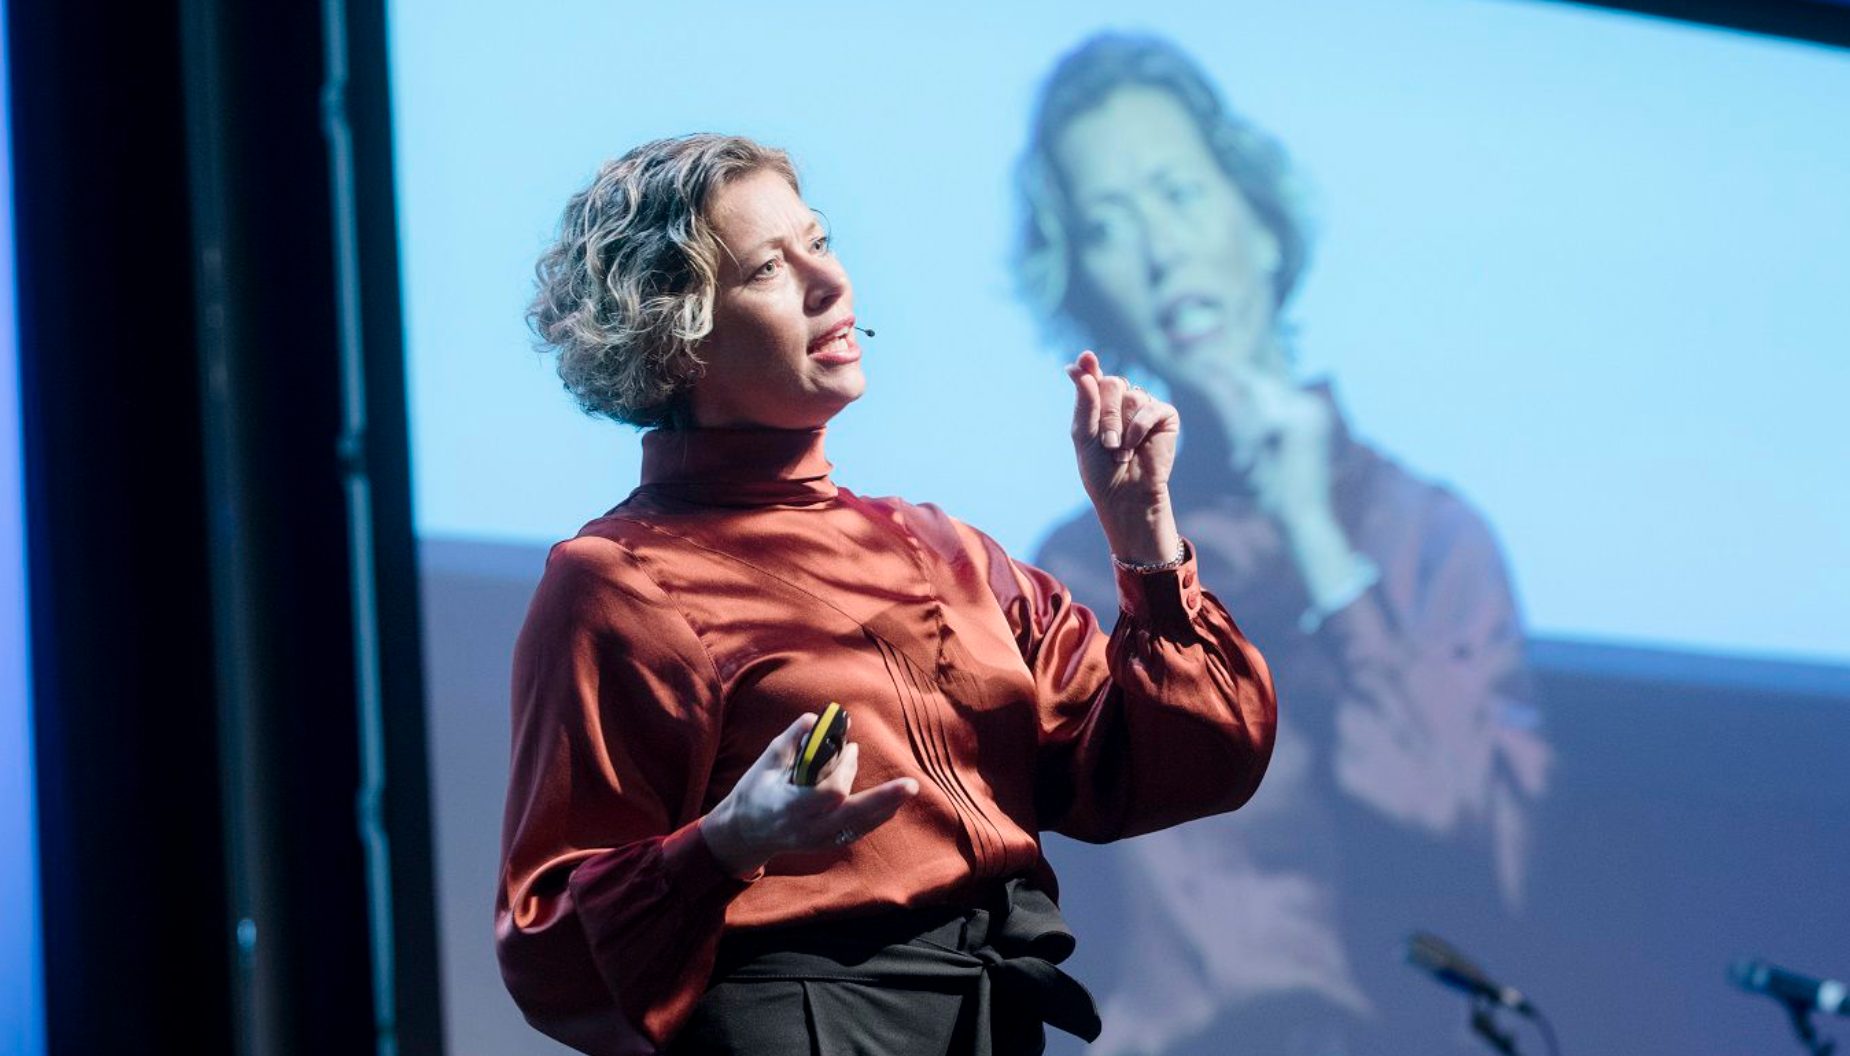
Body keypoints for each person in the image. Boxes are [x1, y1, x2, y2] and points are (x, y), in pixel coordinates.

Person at [494, 133, 1278, 1056]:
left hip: (990, 1022)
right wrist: (727, 843)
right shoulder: (616, 580)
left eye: (819, 242)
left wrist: (1143, 534)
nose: (829, 284)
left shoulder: (949, 551)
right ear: (673, 342)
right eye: (766, 270)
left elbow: (1193, 762)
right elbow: (549, 948)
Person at [1015, 33, 1553, 1054]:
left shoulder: (1426, 537)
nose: (1158, 249)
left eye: (1177, 193)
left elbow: (1481, 850)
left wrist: (1318, 545)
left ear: (1258, 224)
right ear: (1086, 290)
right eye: (1105, 225)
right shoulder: (1080, 566)